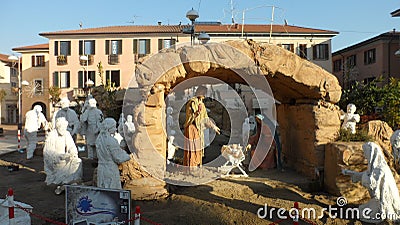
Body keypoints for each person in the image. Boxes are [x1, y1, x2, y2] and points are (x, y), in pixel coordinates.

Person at [342, 142, 400, 223]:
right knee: (361, 210)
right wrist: (350, 173)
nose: (365, 155)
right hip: (377, 200)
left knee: (363, 213)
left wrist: (358, 176)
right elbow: (365, 175)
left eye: (366, 153)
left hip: (385, 201)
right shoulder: (375, 166)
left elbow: (371, 182)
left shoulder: (381, 169)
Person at [183, 86, 220, 167]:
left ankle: (196, 166)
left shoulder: (202, 104)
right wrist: (196, 113)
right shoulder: (192, 102)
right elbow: (190, 116)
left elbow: (206, 118)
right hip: (191, 128)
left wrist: (214, 127)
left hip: (198, 130)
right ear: (198, 92)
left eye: (205, 93)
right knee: (192, 149)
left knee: (198, 148)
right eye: (202, 92)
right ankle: (190, 167)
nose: (204, 94)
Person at [43, 117, 82, 186]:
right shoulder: (52, 135)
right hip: (56, 159)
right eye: (62, 127)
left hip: (65, 157)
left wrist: (73, 153)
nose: (63, 129)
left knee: (77, 161)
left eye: (65, 127)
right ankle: (61, 179)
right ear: (58, 126)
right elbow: (48, 152)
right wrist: (59, 156)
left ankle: (73, 179)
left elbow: (72, 146)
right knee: (61, 166)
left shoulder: (66, 134)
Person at [95, 118, 131, 189]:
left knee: (103, 189)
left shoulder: (98, 139)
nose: (115, 129)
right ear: (109, 128)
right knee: (112, 189)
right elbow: (118, 158)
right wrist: (128, 156)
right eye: (114, 127)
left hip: (101, 168)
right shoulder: (112, 141)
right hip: (110, 169)